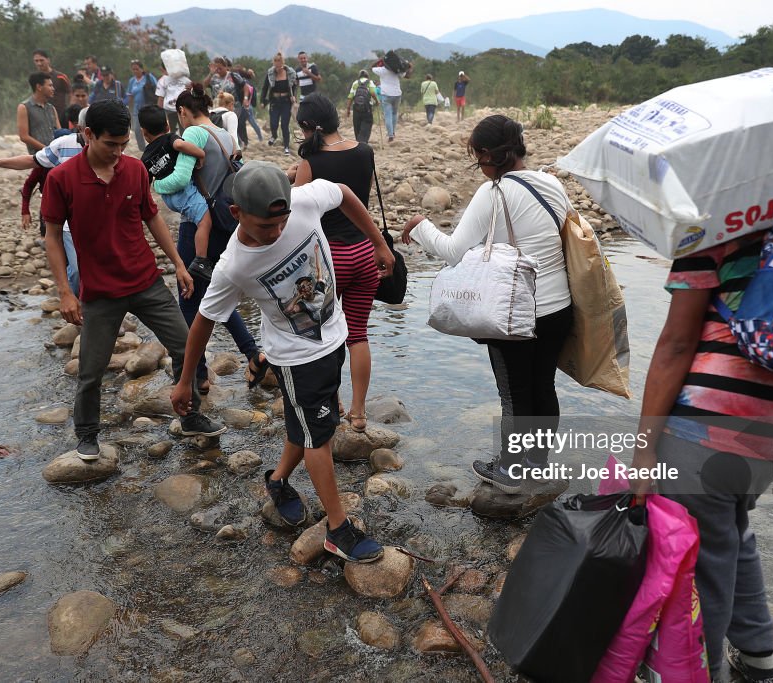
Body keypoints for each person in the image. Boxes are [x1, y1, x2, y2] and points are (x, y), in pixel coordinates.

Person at [627, 228, 773, 683]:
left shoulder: (714, 230)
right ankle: (759, 660)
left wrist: (643, 452)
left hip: (708, 424)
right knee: (730, 534)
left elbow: (676, 345)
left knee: (698, 568)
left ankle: (700, 673)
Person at [169, 160, 395, 562]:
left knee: (306, 425)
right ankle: (337, 529)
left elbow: (342, 190)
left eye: (281, 223)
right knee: (318, 435)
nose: (275, 233)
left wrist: (378, 242)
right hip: (295, 358)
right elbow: (204, 320)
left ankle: (276, 480)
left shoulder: (304, 201)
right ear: (237, 214)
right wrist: (187, 379)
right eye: (264, 227)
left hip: (333, 337)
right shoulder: (234, 264)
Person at [40, 99, 224, 459]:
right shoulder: (62, 179)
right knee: (91, 371)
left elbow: (152, 218)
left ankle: (191, 416)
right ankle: (88, 433)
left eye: (124, 145)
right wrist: (65, 292)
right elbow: (51, 237)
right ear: (88, 134)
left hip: (146, 282)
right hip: (100, 292)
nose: (117, 152)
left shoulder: (136, 171)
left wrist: (179, 264)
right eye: (110, 145)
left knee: (187, 348)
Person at [401, 115, 572, 494]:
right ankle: (536, 464)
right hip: (559, 309)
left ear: (486, 156)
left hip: (516, 312)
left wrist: (420, 225)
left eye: (476, 158)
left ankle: (511, 470)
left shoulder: (493, 193)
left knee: (514, 393)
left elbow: (453, 252)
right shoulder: (552, 184)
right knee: (544, 386)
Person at [151, 84, 263, 394]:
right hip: (226, 224)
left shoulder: (191, 135)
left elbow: (183, 177)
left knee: (189, 300)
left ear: (183, 112)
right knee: (219, 295)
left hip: (197, 226)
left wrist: (157, 185)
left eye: (180, 116)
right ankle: (253, 353)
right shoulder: (225, 134)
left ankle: (196, 375)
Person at [294, 93, 379, 432]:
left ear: (306, 127)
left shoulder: (312, 161)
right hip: (364, 252)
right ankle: (358, 414)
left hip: (328, 260)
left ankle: (332, 403)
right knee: (357, 335)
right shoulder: (365, 151)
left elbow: (297, 209)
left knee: (323, 335)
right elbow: (360, 200)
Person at [0, 108, 90, 297]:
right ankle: (80, 303)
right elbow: (32, 161)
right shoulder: (63, 145)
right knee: (79, 269)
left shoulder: (110, 147)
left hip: (101, 220)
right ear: (81, 130)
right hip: (69, 224)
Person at [137, 104, 215, 284]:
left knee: (193, 215)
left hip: (169, 199)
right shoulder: (169, 139)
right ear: (167, 125)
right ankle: (201, 260)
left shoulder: (145, 157)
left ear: (144, 132)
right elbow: (180, 144)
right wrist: (200, 153)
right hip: (183, 191)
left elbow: (145, 184)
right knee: (205, 221)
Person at [20, 104, 83, 237]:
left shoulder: (74, 159)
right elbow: (29, 184)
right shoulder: (44, 164)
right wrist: (25, 210)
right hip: (49, 206)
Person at [261, 52, 297, 155]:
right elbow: (265, 88)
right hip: (274, 101)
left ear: (283, 62)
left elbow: (294, 86)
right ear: (273, 62)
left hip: (286, 101)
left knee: (284, 124)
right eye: (275, 61)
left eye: (279, 61)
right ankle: (274, 135)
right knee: (273, 123)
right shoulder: (270, 73)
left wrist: (293, 95)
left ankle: (286, 146)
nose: (277, 63)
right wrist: (262, 101)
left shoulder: (290, 72)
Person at [372, 55, 412, 142]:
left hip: (386, 94)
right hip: (397, 94)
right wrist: (410, 67)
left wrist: (381, 59)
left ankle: (390, 135)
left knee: (388, 115)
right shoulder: (397, 71)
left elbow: (372, 67)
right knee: (394, 114)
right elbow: (408, 76)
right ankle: (393, 132)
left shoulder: (382, 70)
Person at [18, 72, 59, 154]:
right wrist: (46, 149)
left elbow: (59, 131)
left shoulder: (51, 108)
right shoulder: (24, 107)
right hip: (38, 157)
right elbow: (24, 136)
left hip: (56, 156)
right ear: (39, 87)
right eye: (50, 86)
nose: (53, 89)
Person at [32, 49, 72, 127]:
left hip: (60, 114)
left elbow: (70, 92)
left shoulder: (60, 77)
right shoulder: (35, 79)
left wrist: (68, 109)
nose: (39, 63)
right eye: (36, 61)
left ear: (48, 60)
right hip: (42, 115)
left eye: (41, 60)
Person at [126, 60, 157, 151]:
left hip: (149, 108)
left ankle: (153, 146)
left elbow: (157, 88)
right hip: (137, 110)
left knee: (150, 129)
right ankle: (142, 149)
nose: (135, 71)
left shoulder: (149, 77)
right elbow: (130, 96)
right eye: (133, 69)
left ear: (142, 69)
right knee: (137, 130)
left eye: (137, 69)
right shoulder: (132, 81)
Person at [156, 64, 192, 135]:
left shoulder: (184, 79)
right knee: (172, 131)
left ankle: (180, 144)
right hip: (171, 110)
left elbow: (191, 91)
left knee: (181, 131)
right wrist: (159, 114)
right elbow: (161, 98)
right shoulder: (163, 80)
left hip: (182, 110)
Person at [345, 70, 379, 144]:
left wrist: (348, 109)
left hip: (356, 108)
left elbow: (350, 97)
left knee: (357, 126)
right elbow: (373, 93)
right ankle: (362, 142)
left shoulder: (355, 83)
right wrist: (377, 101)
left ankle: (358, 142)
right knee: (367, 124)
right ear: (367, 76)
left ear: (359, 76)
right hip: (367, 108)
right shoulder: (370, 82)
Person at [236, 65, 264, 144]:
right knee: (253, 122)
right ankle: (260, 138)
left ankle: (241, 141)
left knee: (239, 124)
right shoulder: (249, 82)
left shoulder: (242, 83)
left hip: (244, 105)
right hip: (249, 105)